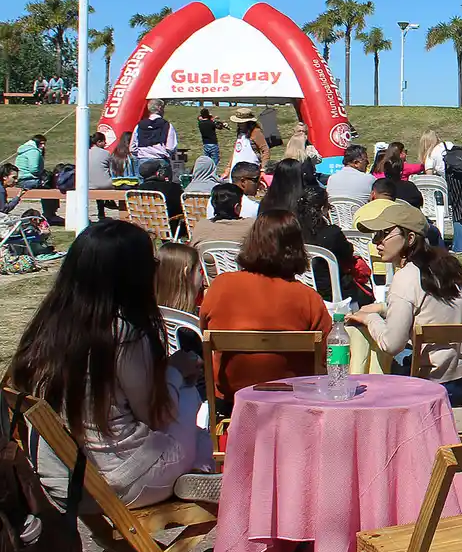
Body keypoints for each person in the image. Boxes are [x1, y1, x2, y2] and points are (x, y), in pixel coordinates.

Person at [8, 220, 216, 508]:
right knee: (189, 394)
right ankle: (200, 468)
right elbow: (155, 414)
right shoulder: (123, 333)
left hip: (66, 476)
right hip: (121, 481)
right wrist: (176, 372)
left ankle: (198, 466)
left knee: (187, 418)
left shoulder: (51, 324)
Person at [347, 201, 462, 404]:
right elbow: (432, 309)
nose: (376, 242)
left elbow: (391, 344)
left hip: (441, 385)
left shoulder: (405, 277)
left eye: (384, 234)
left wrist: (370, 318)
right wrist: (382, 308)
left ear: (410, 238)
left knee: (380, 372)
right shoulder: (442, 265)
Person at [198, 211, 333, 405]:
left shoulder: (221, 286)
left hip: (232, 397)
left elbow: (206, 331)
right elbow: (326, 356)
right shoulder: (308, 298)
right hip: (294, 400)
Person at [296, 186, 366, 307]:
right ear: (323, 209)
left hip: (302, 291)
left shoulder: (294, 231)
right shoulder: (332, 234)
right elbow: (347, 254)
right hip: (333, 293)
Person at [189, 183, 256, 247]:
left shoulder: (201, 226)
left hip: (207, 258)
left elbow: (192, 252)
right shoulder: (250, 226)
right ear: (237, 207)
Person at [137, 159, 187, 237]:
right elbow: (180, 207)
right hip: (169, 227)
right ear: (159, 173)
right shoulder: (172, 187)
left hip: (143, 226)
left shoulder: (137, 190)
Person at [155, 241, 206, 317]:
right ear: (187, 274)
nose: (204, 277)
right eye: (200, 270)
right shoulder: (194, 322)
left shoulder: (146, 316)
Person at [131, 98, 178, 165]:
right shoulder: (166, 125)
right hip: (160, 160)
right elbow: (171, 147)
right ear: (160, 108)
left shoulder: (139, 126)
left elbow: (132, 148)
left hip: (143, 160)